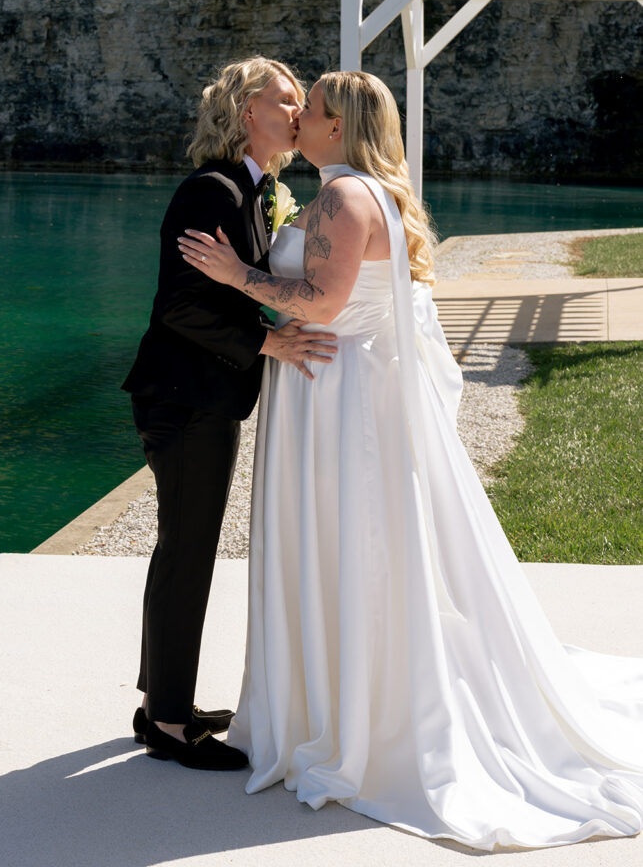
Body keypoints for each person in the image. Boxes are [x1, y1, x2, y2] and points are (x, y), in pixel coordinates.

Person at [178, 71, 643, 847]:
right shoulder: (350, 192)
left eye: (310, 110)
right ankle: (338, 695)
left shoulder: (343, 197)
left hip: (338, 393)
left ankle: (355, 712)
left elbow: (322, 304)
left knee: (347, 539)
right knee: (351, 541)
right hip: (329, 383)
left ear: (338, 127)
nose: (298, 120)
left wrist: (236, 275)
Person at [121, 56, 337, 772]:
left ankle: (162, 703)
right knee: (187, 551)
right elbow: (179, 306)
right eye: (286, 100)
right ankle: (169, 724)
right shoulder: (210, 191)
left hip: (200, 396)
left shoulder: (253, 190)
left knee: (183, 548)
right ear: (248, 113)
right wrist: (269, 342)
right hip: (183, 398)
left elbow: (232, 291)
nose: (298, 111)